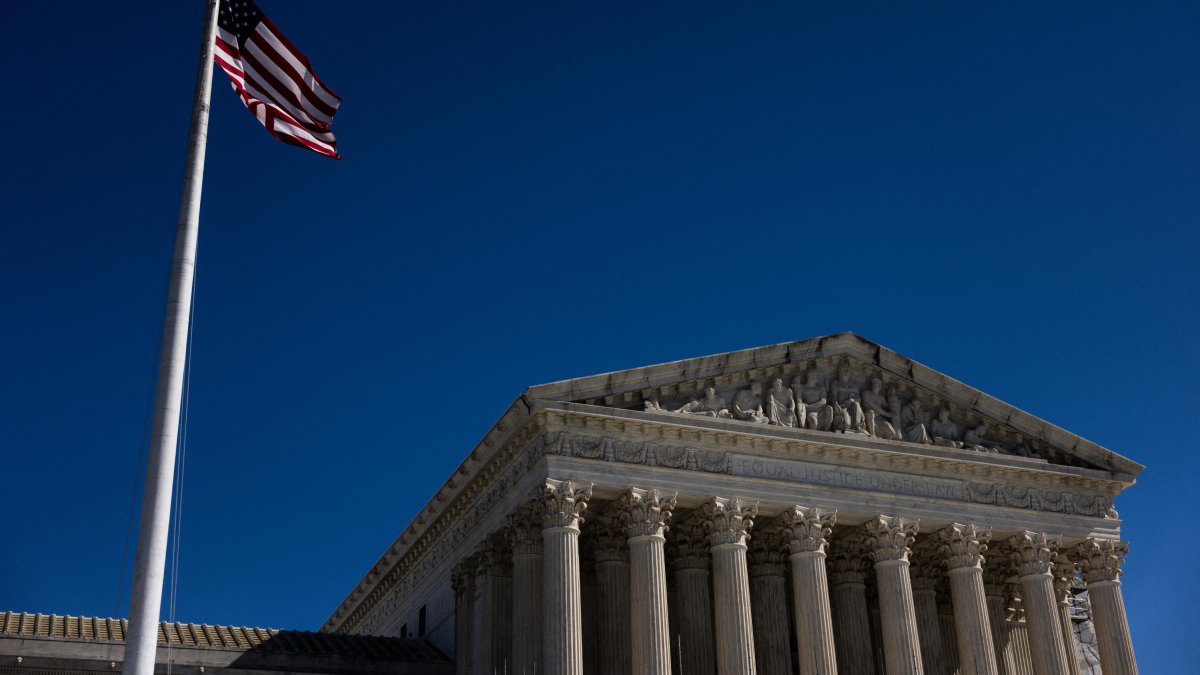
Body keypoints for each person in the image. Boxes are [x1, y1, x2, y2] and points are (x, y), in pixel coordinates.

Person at [830, 364, 867, 434]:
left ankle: (857, 426)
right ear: (840, 372)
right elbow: (833, 396)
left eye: (848, 371)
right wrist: (835, 405)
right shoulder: (836, 383)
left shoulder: (854, 385)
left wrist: (852, 400)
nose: (846, 372)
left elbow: (858, 399)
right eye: (845, 370)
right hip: (841, 407)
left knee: (856, 404)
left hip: (852, 407)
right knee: (846, 424)